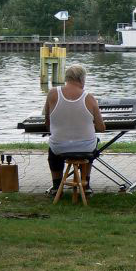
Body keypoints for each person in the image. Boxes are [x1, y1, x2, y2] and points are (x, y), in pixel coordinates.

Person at [44, 64, 105, 195]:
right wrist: (86, 124)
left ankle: (56, 186)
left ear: (66, 78)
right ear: (82, 80)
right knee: (91, 144)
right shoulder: (89, 97)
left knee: (53, 150)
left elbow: (47, 122)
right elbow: (101, 127)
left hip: (59, 147)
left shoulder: (53, 93)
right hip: (85, 148)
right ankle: (86, 185)